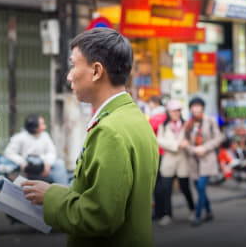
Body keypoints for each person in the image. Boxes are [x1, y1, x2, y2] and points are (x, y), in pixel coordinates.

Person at [21, 28, 159, 246]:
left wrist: (51, 197)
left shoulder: (110, 130)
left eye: (74, 65)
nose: (68, 75)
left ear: (96, 71)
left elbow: (101, 217)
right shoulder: (135, 118)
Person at [183, 97, 224, 227]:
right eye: (193, 106)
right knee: (199, 188)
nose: (196, 108)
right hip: (194, 161)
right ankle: (209, 211)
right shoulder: (188, 124)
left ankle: (198, 215)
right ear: (190, 108)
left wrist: (204, 148)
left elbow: (219, 138)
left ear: (202, 108)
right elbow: (185, 142)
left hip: (207, 159)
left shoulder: (210, 121)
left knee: (201, 187)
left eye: (198, 106)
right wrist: (192, 149)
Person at [156, 100, 195, 226]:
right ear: (169, 112)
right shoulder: (163, 126)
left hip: (183, 160)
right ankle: (167, 214)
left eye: (178, 110)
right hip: (168, 161)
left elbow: (191, 140)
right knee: (166, 189)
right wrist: (177, 145)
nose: (176, 113)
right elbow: (159, 140)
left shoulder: (186, 125)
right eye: (173, 111)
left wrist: (187, 143)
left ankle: (192, 210)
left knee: (185, 188)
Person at [4, 114, 68, 185]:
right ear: (35, 128)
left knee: (60, 163)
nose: (45, 126)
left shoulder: (45, 136)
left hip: (43, 167)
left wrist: (48, 164)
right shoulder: (20, 137)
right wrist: (22, 163)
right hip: (26, 168)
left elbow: (52, 152)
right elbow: (9, 153)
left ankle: (63, 188)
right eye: (42, 124)